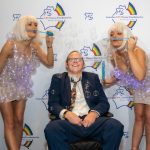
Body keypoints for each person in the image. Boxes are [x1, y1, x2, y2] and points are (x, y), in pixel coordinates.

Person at [44, 50, 124, 150]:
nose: (75, 61)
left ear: (83, 64)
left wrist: (93, 114)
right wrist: (67, 114)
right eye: (72, 59)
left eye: (79, 59)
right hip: (69, 123)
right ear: (66, 64)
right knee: (52, 129)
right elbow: (53, 104)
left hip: (92, 122)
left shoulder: (93, 78)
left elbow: (103, 102)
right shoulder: (58, 78)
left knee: (115, 126)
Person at [0, 15, 54, 150]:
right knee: (10, 123)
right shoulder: (10, 45)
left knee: (19, 121)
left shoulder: (34, 46)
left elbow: (49, 63)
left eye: (36, 25)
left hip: (21, 86)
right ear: (21, 27)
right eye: (30, 24)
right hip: (4, 85)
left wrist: (49, 45)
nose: (34, 27)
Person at [103, 22, 150, 150]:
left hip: (148, 84)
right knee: (139, 116)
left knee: (149, 118)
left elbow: (140, 75)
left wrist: (129, 50)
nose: (115, 36)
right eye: (112, 34)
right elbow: (122, 74)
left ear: (127, 36)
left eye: (119, 33)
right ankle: (134, 148)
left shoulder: (137, 51)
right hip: (139, 87)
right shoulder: (114, 54)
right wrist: (108, 81)